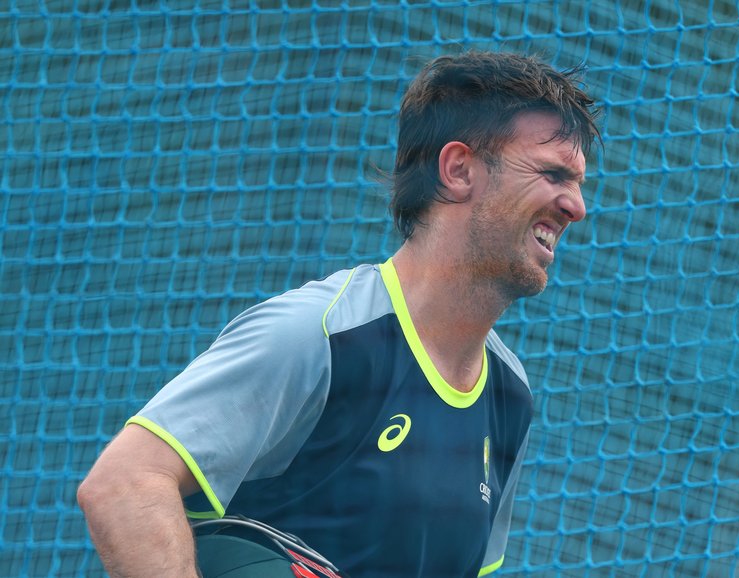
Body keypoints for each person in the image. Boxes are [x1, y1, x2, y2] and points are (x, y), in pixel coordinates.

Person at [77, 50, 600, 577]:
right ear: (459, 169)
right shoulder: (320, 336)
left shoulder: (511, 398)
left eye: (578, 183)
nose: (576, 206)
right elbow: (123, 483)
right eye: (553, 174)